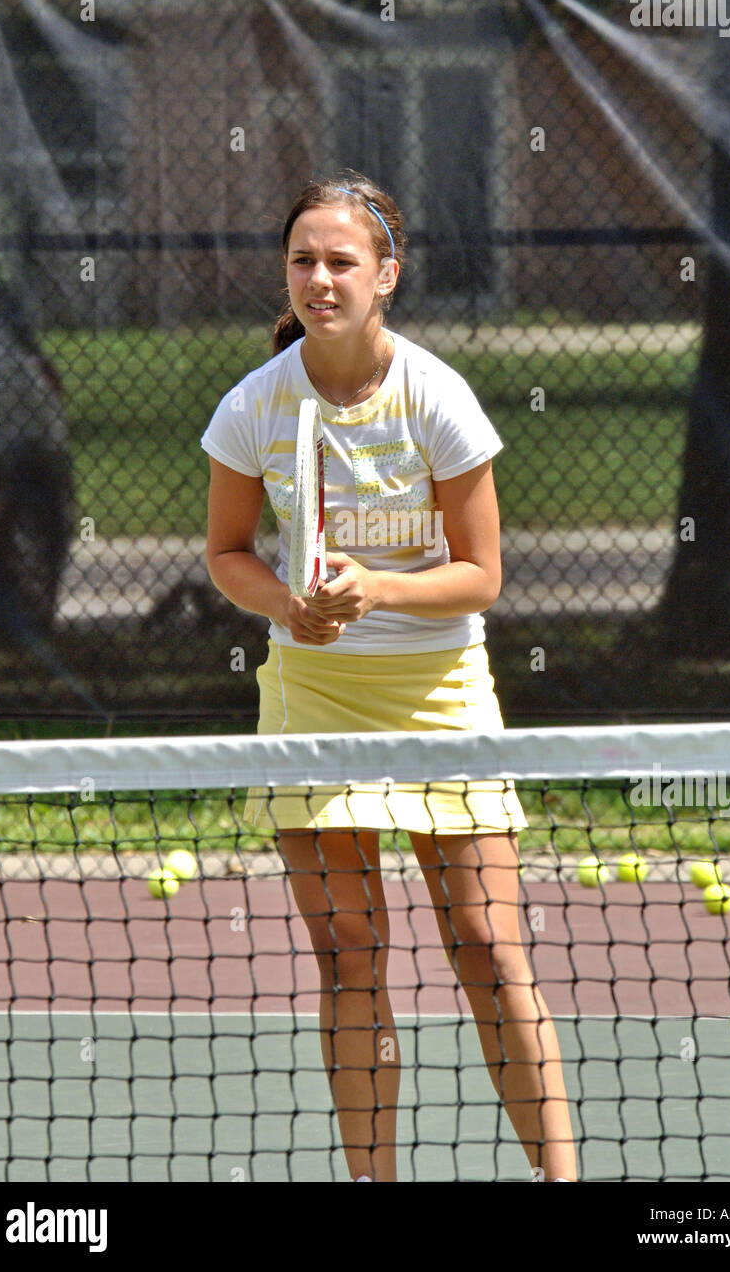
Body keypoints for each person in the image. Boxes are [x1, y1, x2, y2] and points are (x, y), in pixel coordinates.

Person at [201, 171, 577, 1183]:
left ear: (386, 276)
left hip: (439, 694)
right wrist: (289, 605)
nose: (319, 279)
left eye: (341, 262)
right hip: (311, 698)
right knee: (348, 956)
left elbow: (480, 575)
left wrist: (377, 587)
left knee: (486, 952)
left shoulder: (437, 397)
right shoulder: (252, 407)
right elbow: (228, 551)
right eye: (302, 262)